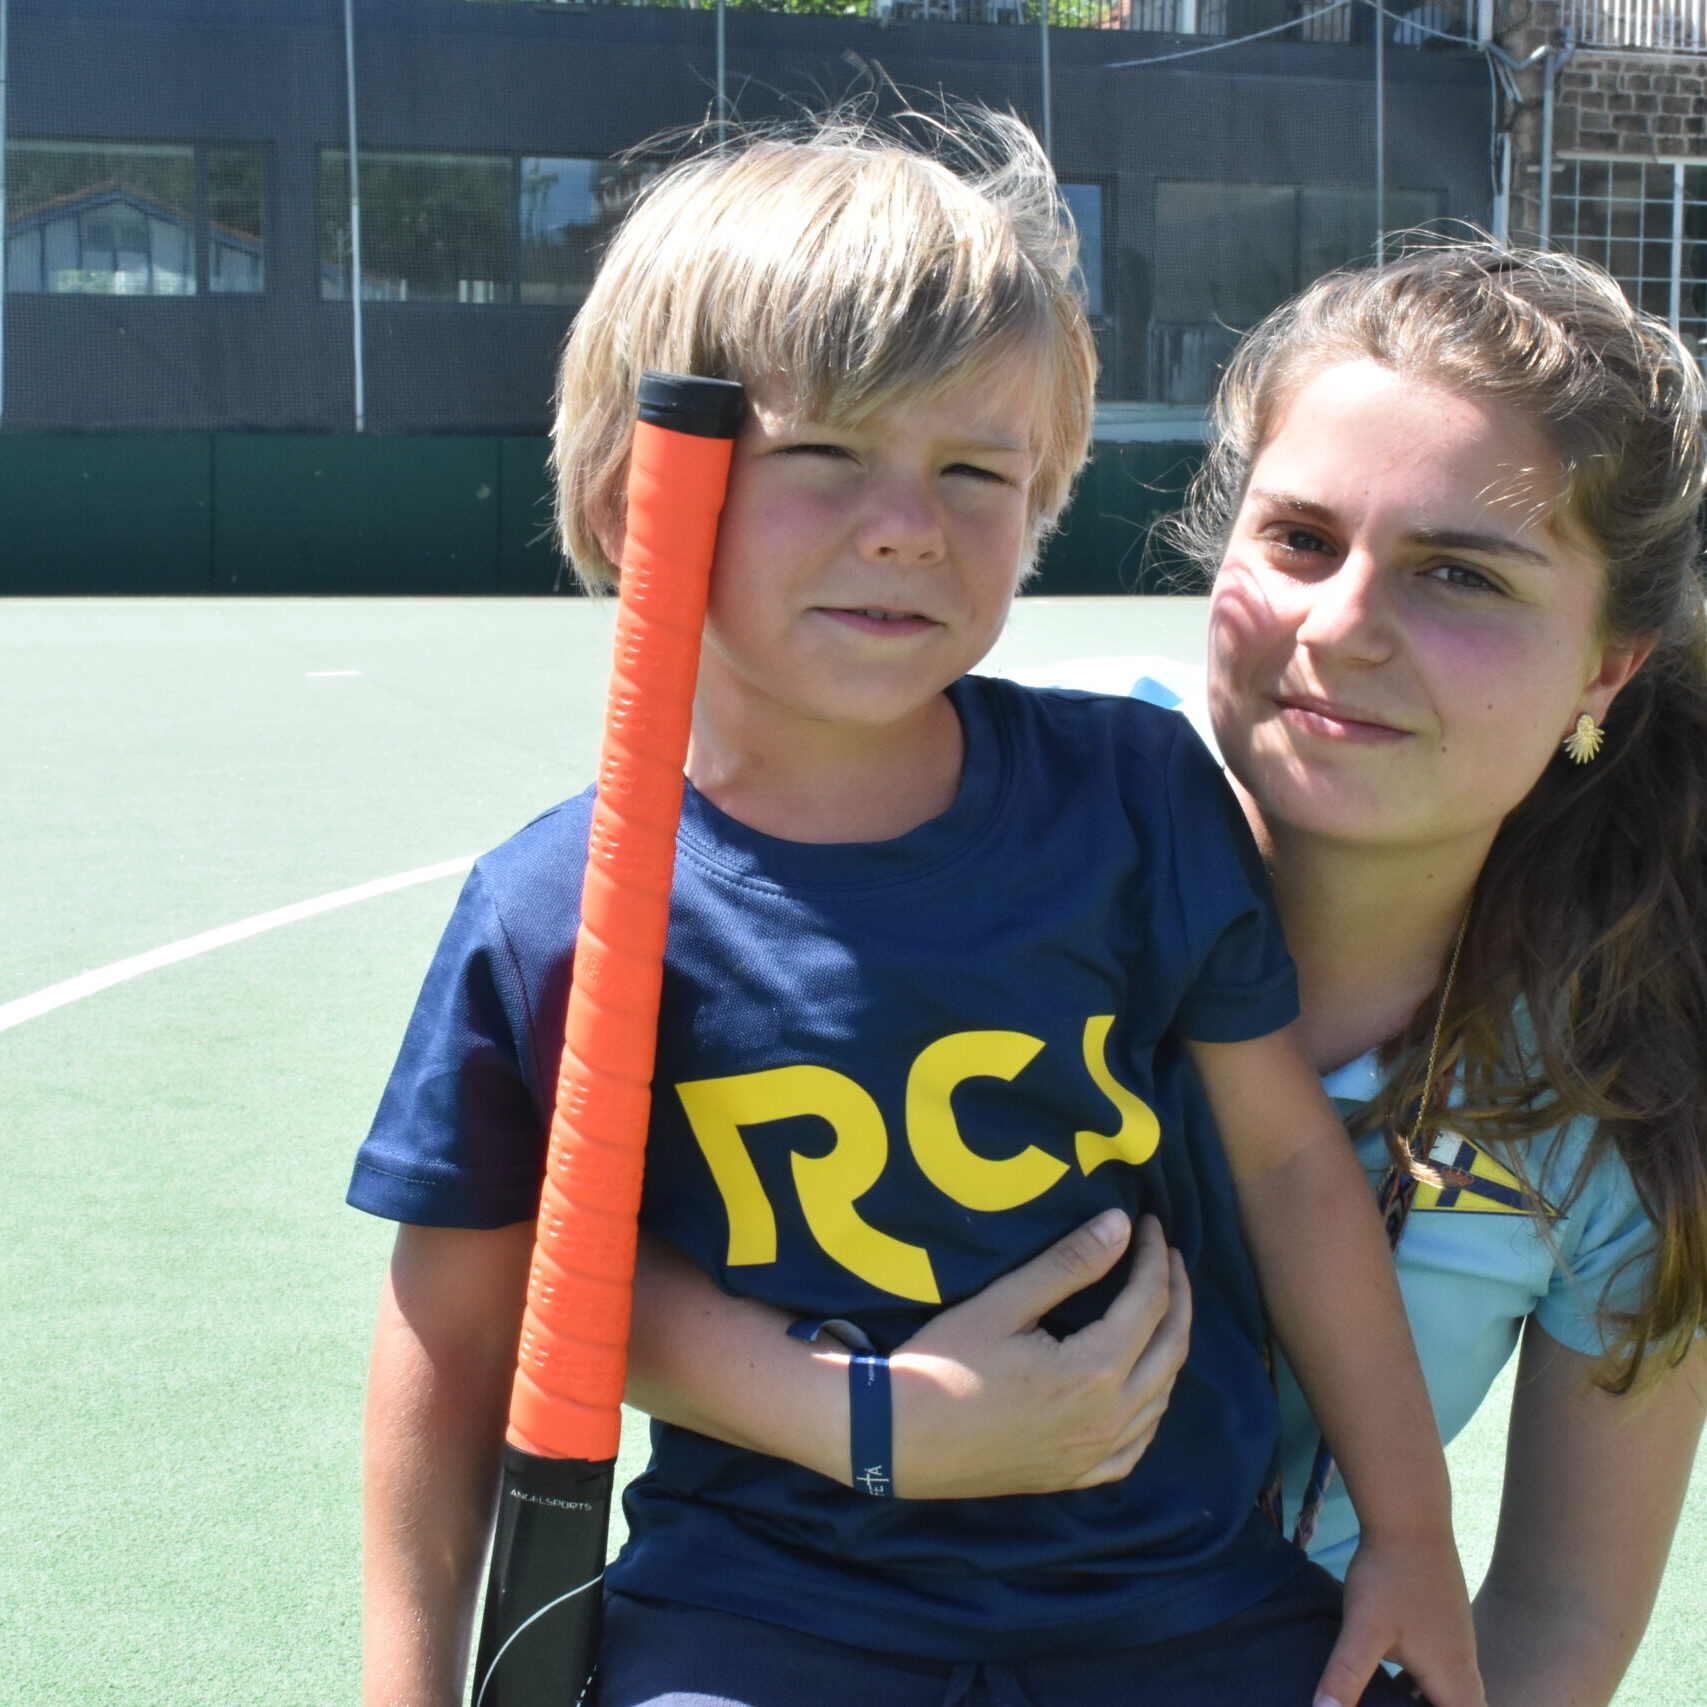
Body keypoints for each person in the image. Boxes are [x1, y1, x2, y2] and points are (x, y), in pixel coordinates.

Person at [349, 112, 1484, 1707]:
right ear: (634, 499)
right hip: (767, 1619)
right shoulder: (552, 912)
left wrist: (1412, 1532)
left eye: (975, 471)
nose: (907, 525)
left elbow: (1292, 1171)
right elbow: (460, 1332)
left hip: (1178, 1601)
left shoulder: (1133, 798)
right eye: (823, 455)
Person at [627, 239, 1707, 1707]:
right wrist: (861, 1418)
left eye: (1459, 574)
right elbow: (553, 1263)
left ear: (1608, 667)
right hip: (832, 1641)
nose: (1341, 628)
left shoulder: (1635, 1087)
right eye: (1301, 540)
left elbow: (1557, 1619)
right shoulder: (1001, 796)